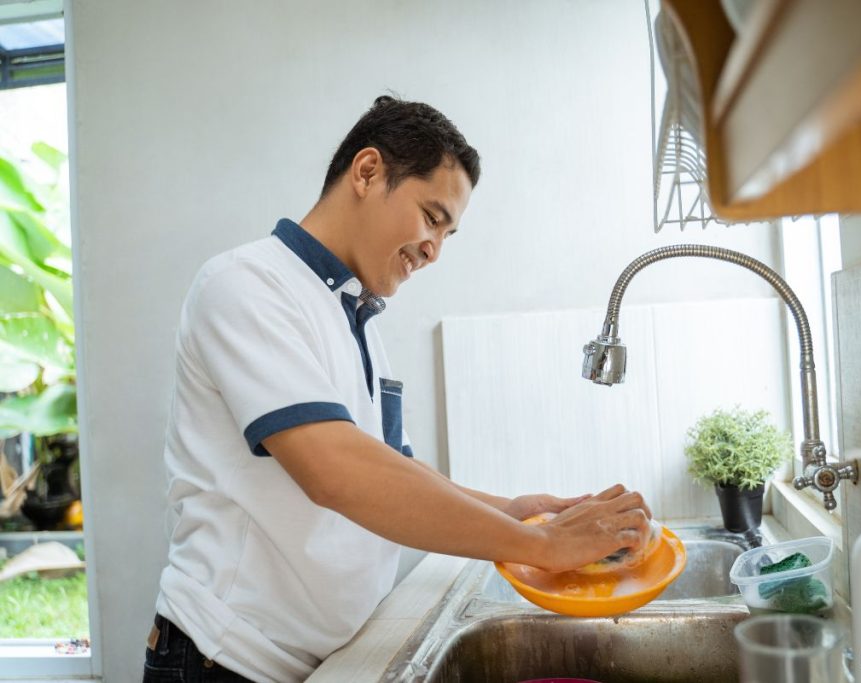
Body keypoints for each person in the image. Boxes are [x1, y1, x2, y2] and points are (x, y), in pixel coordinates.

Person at [145, 95, 651, 682]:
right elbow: (338, 472)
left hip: (309, 660)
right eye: (433, 218)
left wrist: (510, 511)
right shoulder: (245, 284)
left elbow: (390, 467)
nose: (435, 250)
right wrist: (533, 545)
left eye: (449, 232)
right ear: (367, 172)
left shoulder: (353, 313)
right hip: (224, 660)